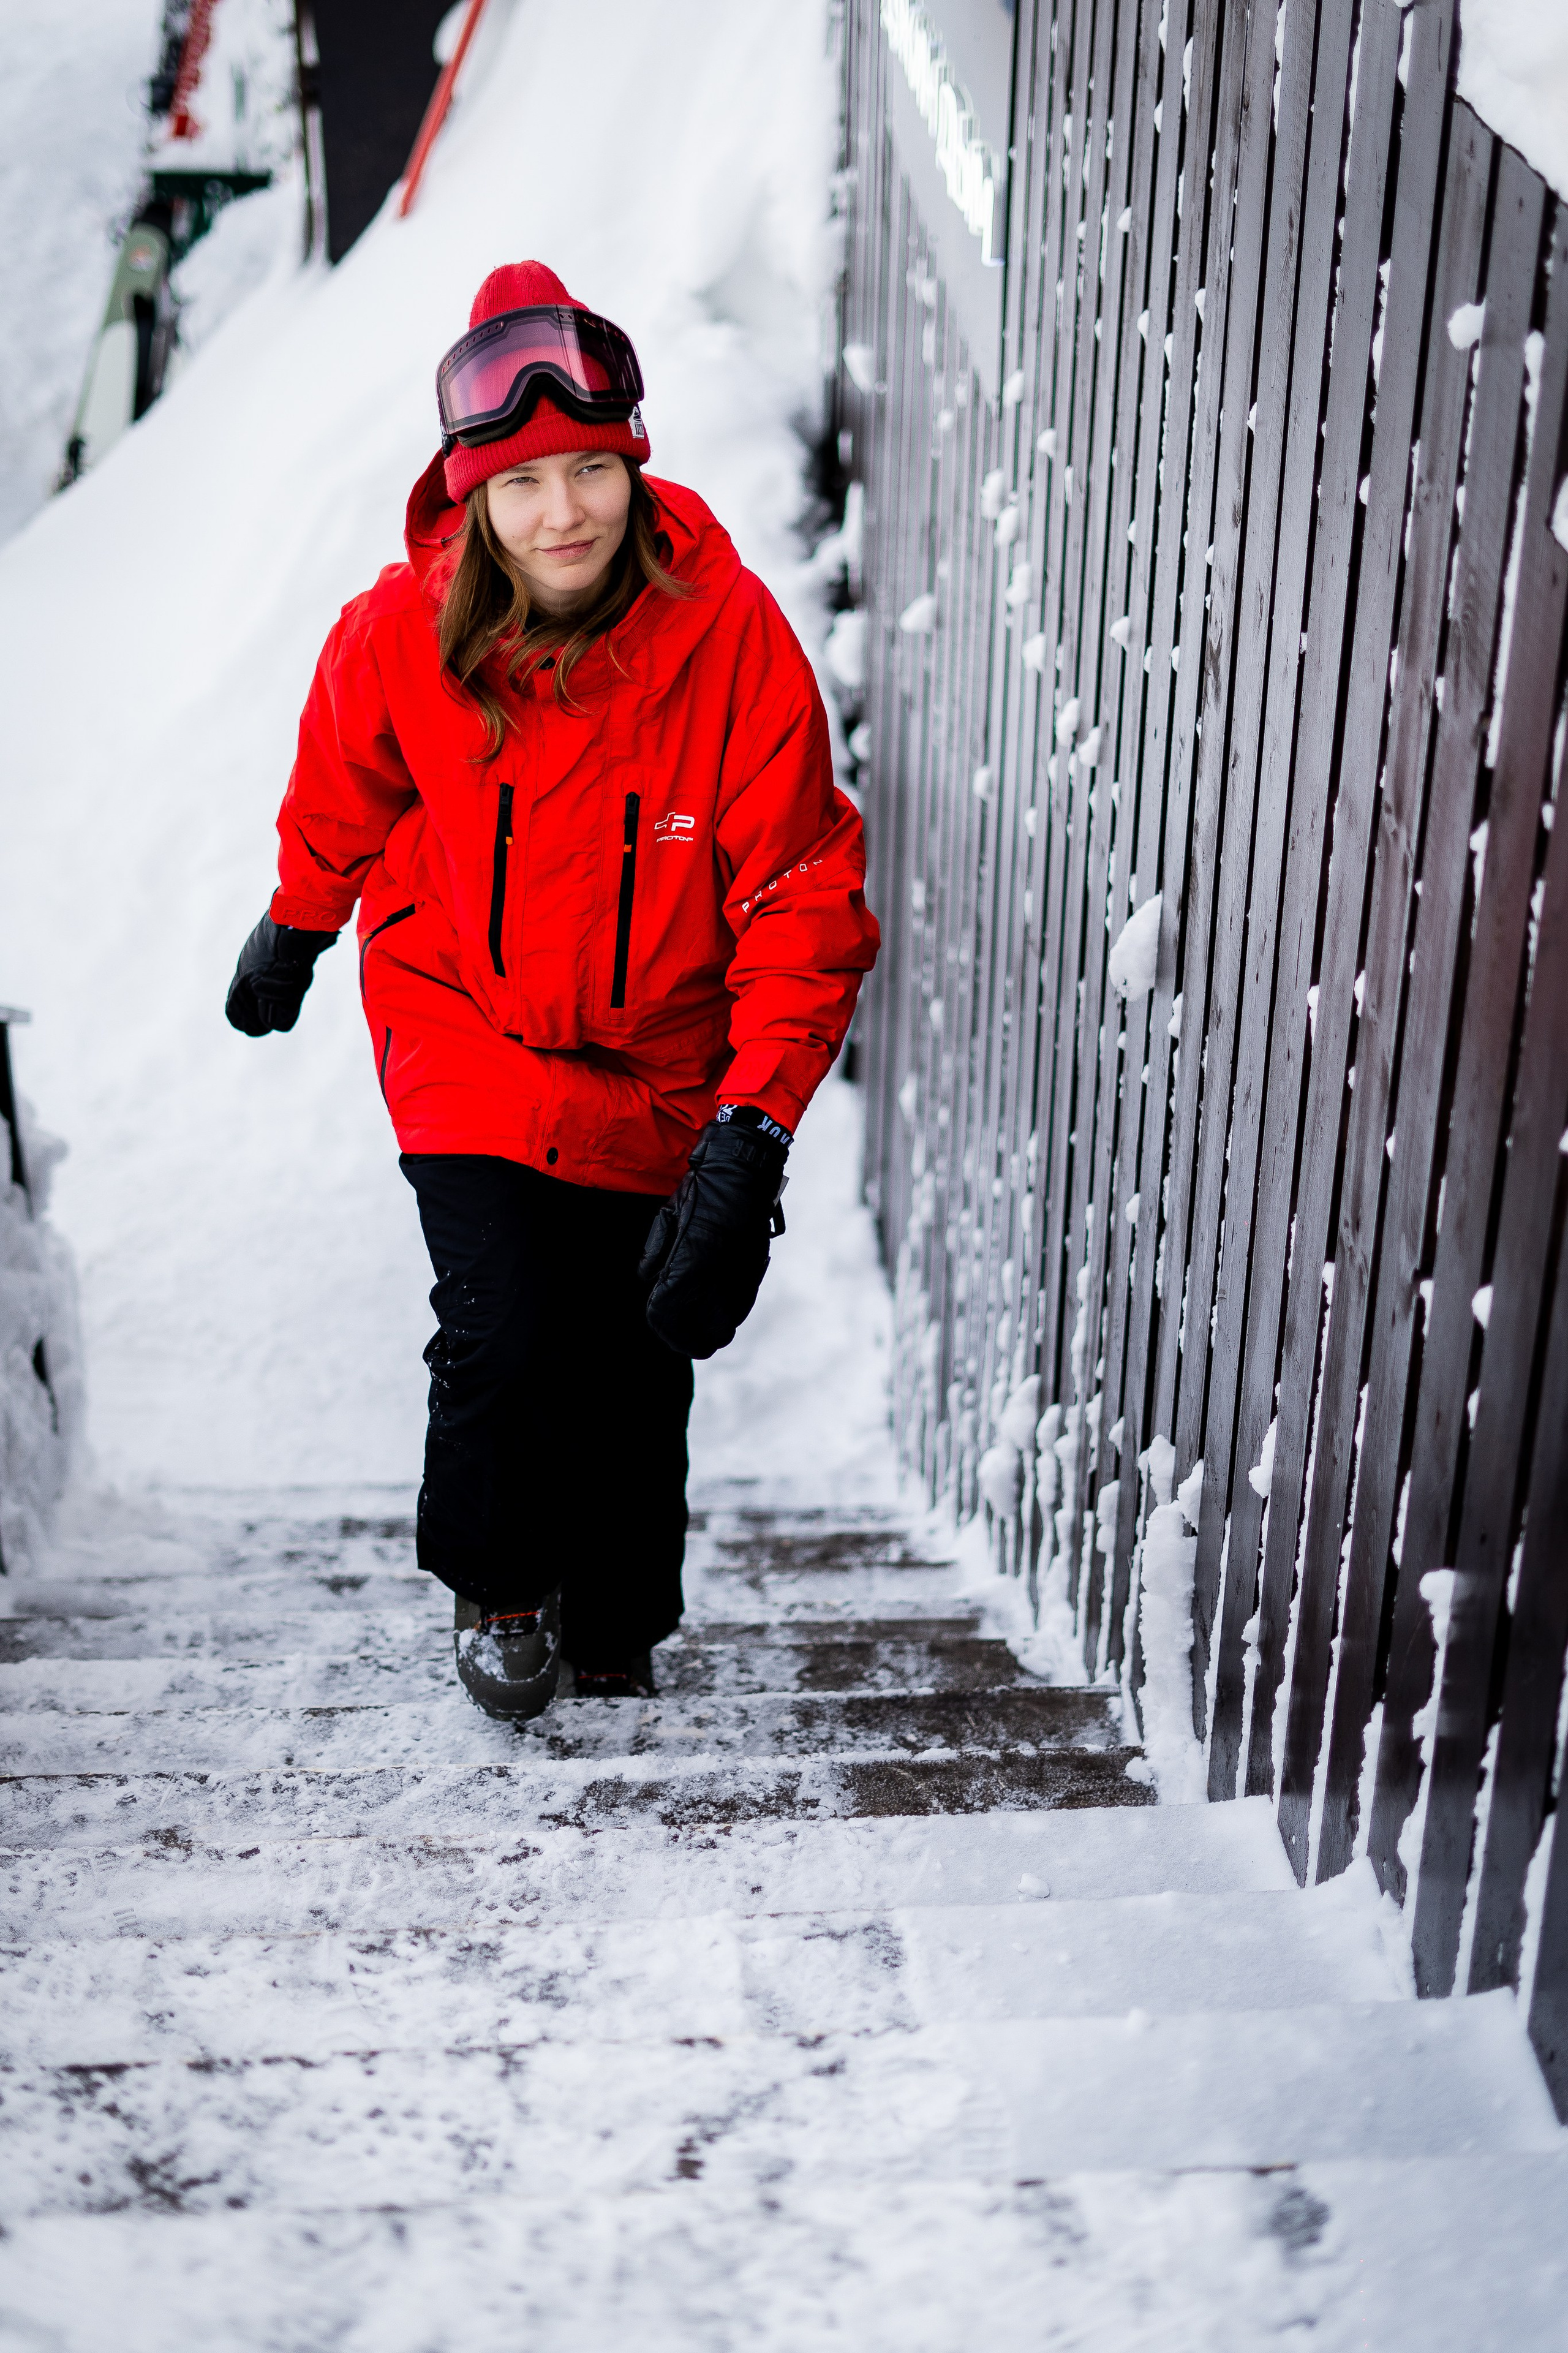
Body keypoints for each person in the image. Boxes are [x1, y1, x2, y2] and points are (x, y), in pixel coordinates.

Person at [225, 260, 878, 1723]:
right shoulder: (399, 631)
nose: (562, 512)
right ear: (468, 495)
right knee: (509, 1322)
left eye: (590, 469)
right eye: (522, 484)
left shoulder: (731, 641)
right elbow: (346, 780)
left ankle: (619, 1608)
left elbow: (797, 898)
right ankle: (500, 1581)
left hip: (659, 1053)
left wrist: (749, 1131)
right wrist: (297, 922)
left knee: (637, 1347)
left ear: (635, 465)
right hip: (463, 1014)